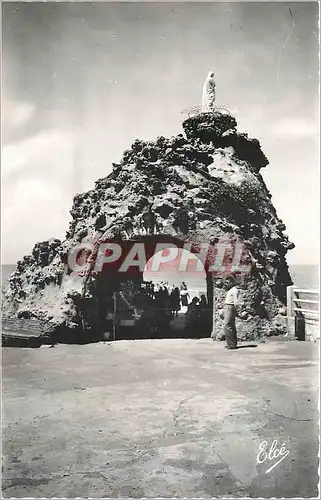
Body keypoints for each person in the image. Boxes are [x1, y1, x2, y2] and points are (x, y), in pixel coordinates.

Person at [223, 276, 240, 349]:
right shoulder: (230, 290)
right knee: (231, 325)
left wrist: (236, 310)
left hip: (230, 307)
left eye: (227, 283)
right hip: (228, 307)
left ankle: (231, 344)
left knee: (227, 325)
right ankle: (232, 343)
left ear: (232, 283)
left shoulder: (234, 290)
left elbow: (236, 301)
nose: (226, 284)